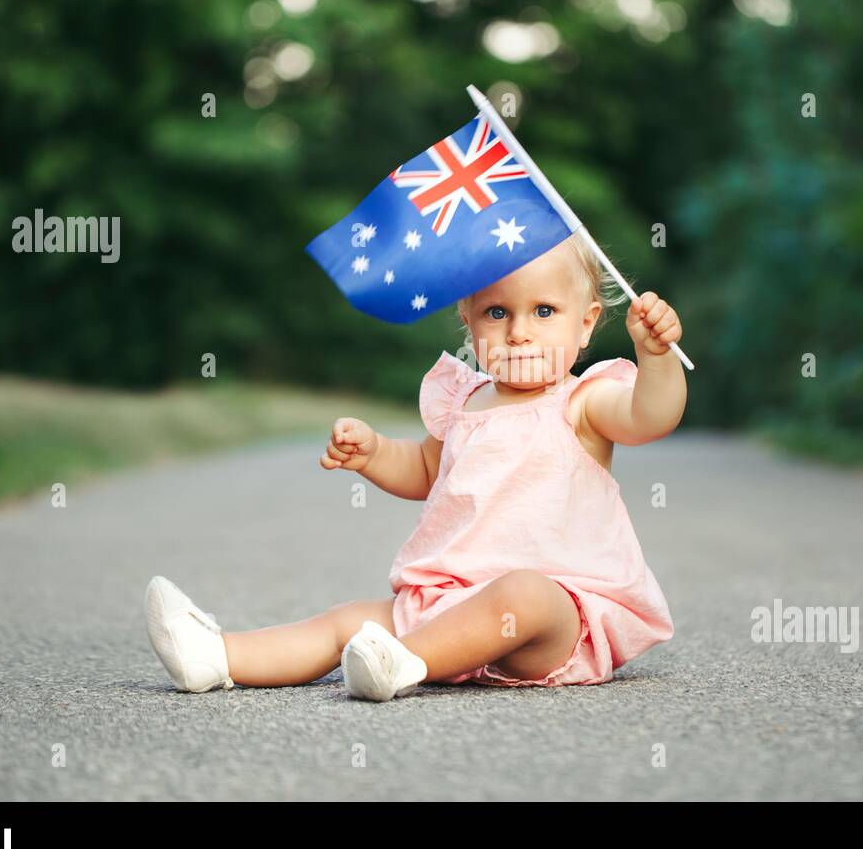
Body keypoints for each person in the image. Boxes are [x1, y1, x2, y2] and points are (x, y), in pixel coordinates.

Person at [144, 231, 685, 702]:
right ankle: (216, 656)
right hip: (450, 606)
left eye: (544, 312)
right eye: (497, 313)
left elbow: (649, 415)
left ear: (587, 323)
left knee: (525, 592)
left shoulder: (584, 402)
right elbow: (430, 472)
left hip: (550, 621)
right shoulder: (464, 401)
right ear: (468, 319)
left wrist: (656, 358)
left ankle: (401, 663)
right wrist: (376, 454)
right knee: (347, 622)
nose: (520, 332)